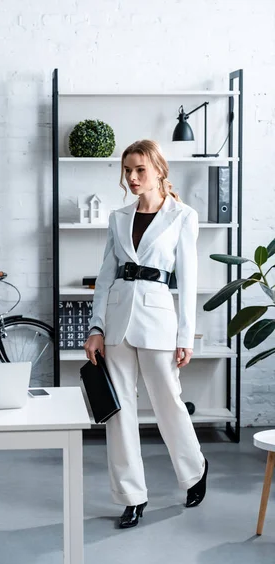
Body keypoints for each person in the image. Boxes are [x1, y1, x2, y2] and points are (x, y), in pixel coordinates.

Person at [84, 139, 208, 529]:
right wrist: (96, 327)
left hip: (159, 322)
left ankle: (194, 470)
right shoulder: (119, 217)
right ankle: (131, 496)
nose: (132, 177)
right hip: (117, 321)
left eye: (139, 169)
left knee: (167, 403)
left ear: (158, 170)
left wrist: (185, 335)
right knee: (119, 412)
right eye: (127, 171)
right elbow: (105, 275)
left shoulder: (183, 216)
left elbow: (188, 281)